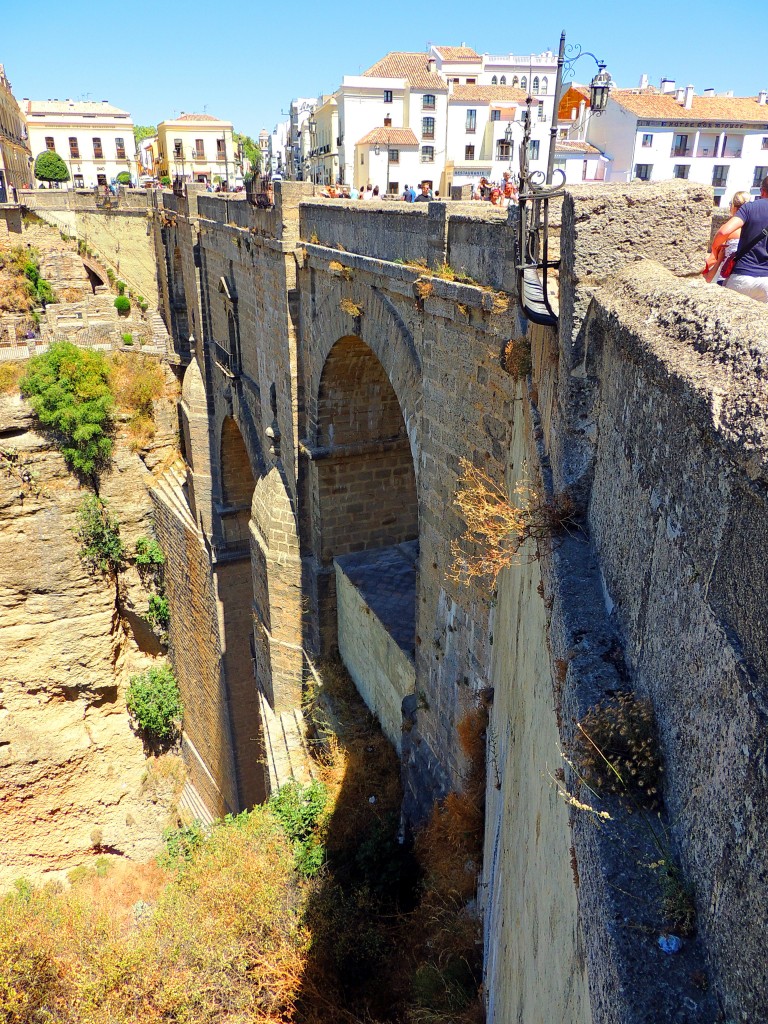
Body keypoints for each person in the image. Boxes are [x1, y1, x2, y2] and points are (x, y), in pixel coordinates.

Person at [711, 176, 768, 302]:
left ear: (762, 191)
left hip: (742, 276)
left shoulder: (750, 208)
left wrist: (715, 249)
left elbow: (724, 231)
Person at [703, 191, 749, 284]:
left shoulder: (728, 230)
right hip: (752, 277)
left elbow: (713, 257)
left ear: (733, 207)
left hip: (726, 278)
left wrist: (701, 269)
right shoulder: (753, 229)